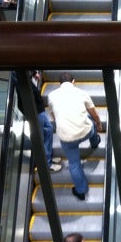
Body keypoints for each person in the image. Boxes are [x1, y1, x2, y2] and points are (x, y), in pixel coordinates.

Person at [47, 72, 102, 200]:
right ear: (73, 81)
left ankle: (81, 190)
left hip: (67, 138)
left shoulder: (51, 96)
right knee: (90, 121)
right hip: (85, 132)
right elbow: (95, 114)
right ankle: (94, 142)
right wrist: (98, 124)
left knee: (74, 164)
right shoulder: (81, 93)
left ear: (59, 84)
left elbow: (54, 115)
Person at [12, 70, 61, 172]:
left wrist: (34, 73)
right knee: (41, 137)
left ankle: (49, 158)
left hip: (39, 109)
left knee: (49, 129)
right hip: (34, 112)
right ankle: (46, 164)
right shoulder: (17, 78)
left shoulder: (22, 74)